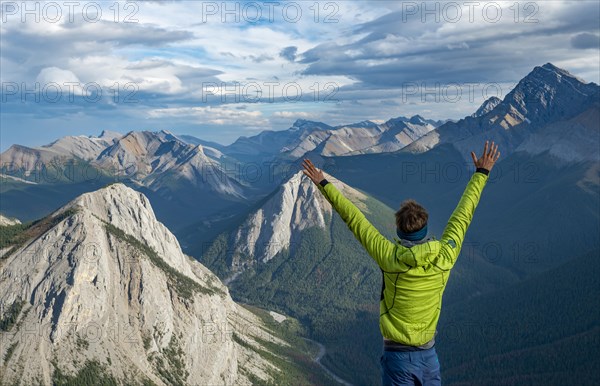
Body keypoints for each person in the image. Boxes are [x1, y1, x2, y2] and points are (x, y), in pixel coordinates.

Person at [302, 141, 500, 386]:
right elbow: (463, 215)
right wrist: (481, 173)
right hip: (429, 357)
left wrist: (323, 183)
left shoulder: (388, 256)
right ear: (426, 230)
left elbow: (354, 218)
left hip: (397, 358)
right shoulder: (445, 256)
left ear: (399, 231)